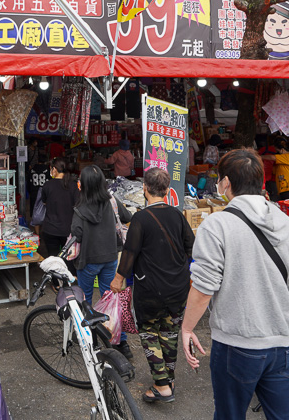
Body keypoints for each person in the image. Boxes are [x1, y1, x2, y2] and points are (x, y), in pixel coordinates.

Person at [182, 149, 289, 420]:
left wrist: (187, 327)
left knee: (229, 415)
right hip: (283, 341)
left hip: (237, 344)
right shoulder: (287, 222)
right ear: (260, 182)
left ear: (225, 183)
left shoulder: (217, 225)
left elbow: (204, 287)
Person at [111, 168, 194, 404]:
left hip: (151, 290)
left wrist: (119, 279)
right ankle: (170, 378)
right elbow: (192, 247)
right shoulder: (177, 215)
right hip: (178, 288)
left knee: (149, 332)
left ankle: (161, 385)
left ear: (145, 189)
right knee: (169, 333)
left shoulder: (141, 219)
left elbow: (130, 252)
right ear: (167, 191)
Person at [70, 165, 132, 303]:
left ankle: (86, 323)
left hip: (88, 261)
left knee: (85, 299)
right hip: (110, 257)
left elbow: (77, 234)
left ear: (84, 185)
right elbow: (128, 217)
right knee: (108, 298)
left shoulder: (80, 209)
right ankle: (105, 323)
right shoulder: (112, 201)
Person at [39, 157, 79, 258]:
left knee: (53, 260)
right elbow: (78, 205)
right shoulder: (73, 185)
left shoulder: (47, 185)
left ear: (55, 169)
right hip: (68, 230)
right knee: (69, 262)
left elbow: (44, 202)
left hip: (50, 229)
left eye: (51, 169)